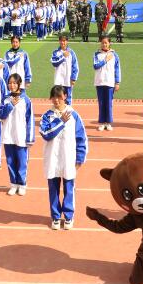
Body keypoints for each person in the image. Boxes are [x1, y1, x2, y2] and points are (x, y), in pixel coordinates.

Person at [40, 85, 88, 230]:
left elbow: (81, 138)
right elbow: (46, 133)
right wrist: (60, 121)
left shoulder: (74, 115)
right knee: (53, 189)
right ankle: (55, 216)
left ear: (65, 96)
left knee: (69, 188)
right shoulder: (47, 115)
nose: (56, 100)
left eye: (59, 96)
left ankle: (68, 216)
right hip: (52, 159)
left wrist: (79, 159)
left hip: (68, 159)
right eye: (53, 97)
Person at [0, 73, 35, 196]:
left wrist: (30, 138)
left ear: (19, 84)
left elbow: (30, 120)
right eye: (10, 83)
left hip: (21, 136)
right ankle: (13, 184)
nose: (12, 85)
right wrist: (10, 105)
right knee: (10, 161)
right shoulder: (5, 99)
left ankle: (22, 184)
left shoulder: (26, 100)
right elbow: (0, 114)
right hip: (8, 135)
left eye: (14, 83)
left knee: (22, 161)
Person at [93, 35, 121, 131]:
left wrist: (117, 82)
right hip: (100, 82)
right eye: (102, 43)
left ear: (109, 43)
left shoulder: (114, 55)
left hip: (110, 82)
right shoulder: (97, 54)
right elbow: (96, 66)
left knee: (109, 103)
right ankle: (101, 122)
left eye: (106, 42)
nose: (104, 44)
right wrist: (105, 60)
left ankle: (108, 122)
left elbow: (117, 69)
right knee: (101, 103)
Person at [50, 34, 79, 105]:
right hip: (58, 79)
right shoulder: (56, 52)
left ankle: (68, 111)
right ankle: (58, 111)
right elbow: (54, 63)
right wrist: (63, 57)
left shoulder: (71, 52)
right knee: (57, 96)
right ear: (59, 41)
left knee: (68, 97)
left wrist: (73, 78)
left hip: (68, 79)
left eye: (64, 41)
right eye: (61, 41)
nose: (63, 43)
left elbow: (75, 66)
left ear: (67, 41)